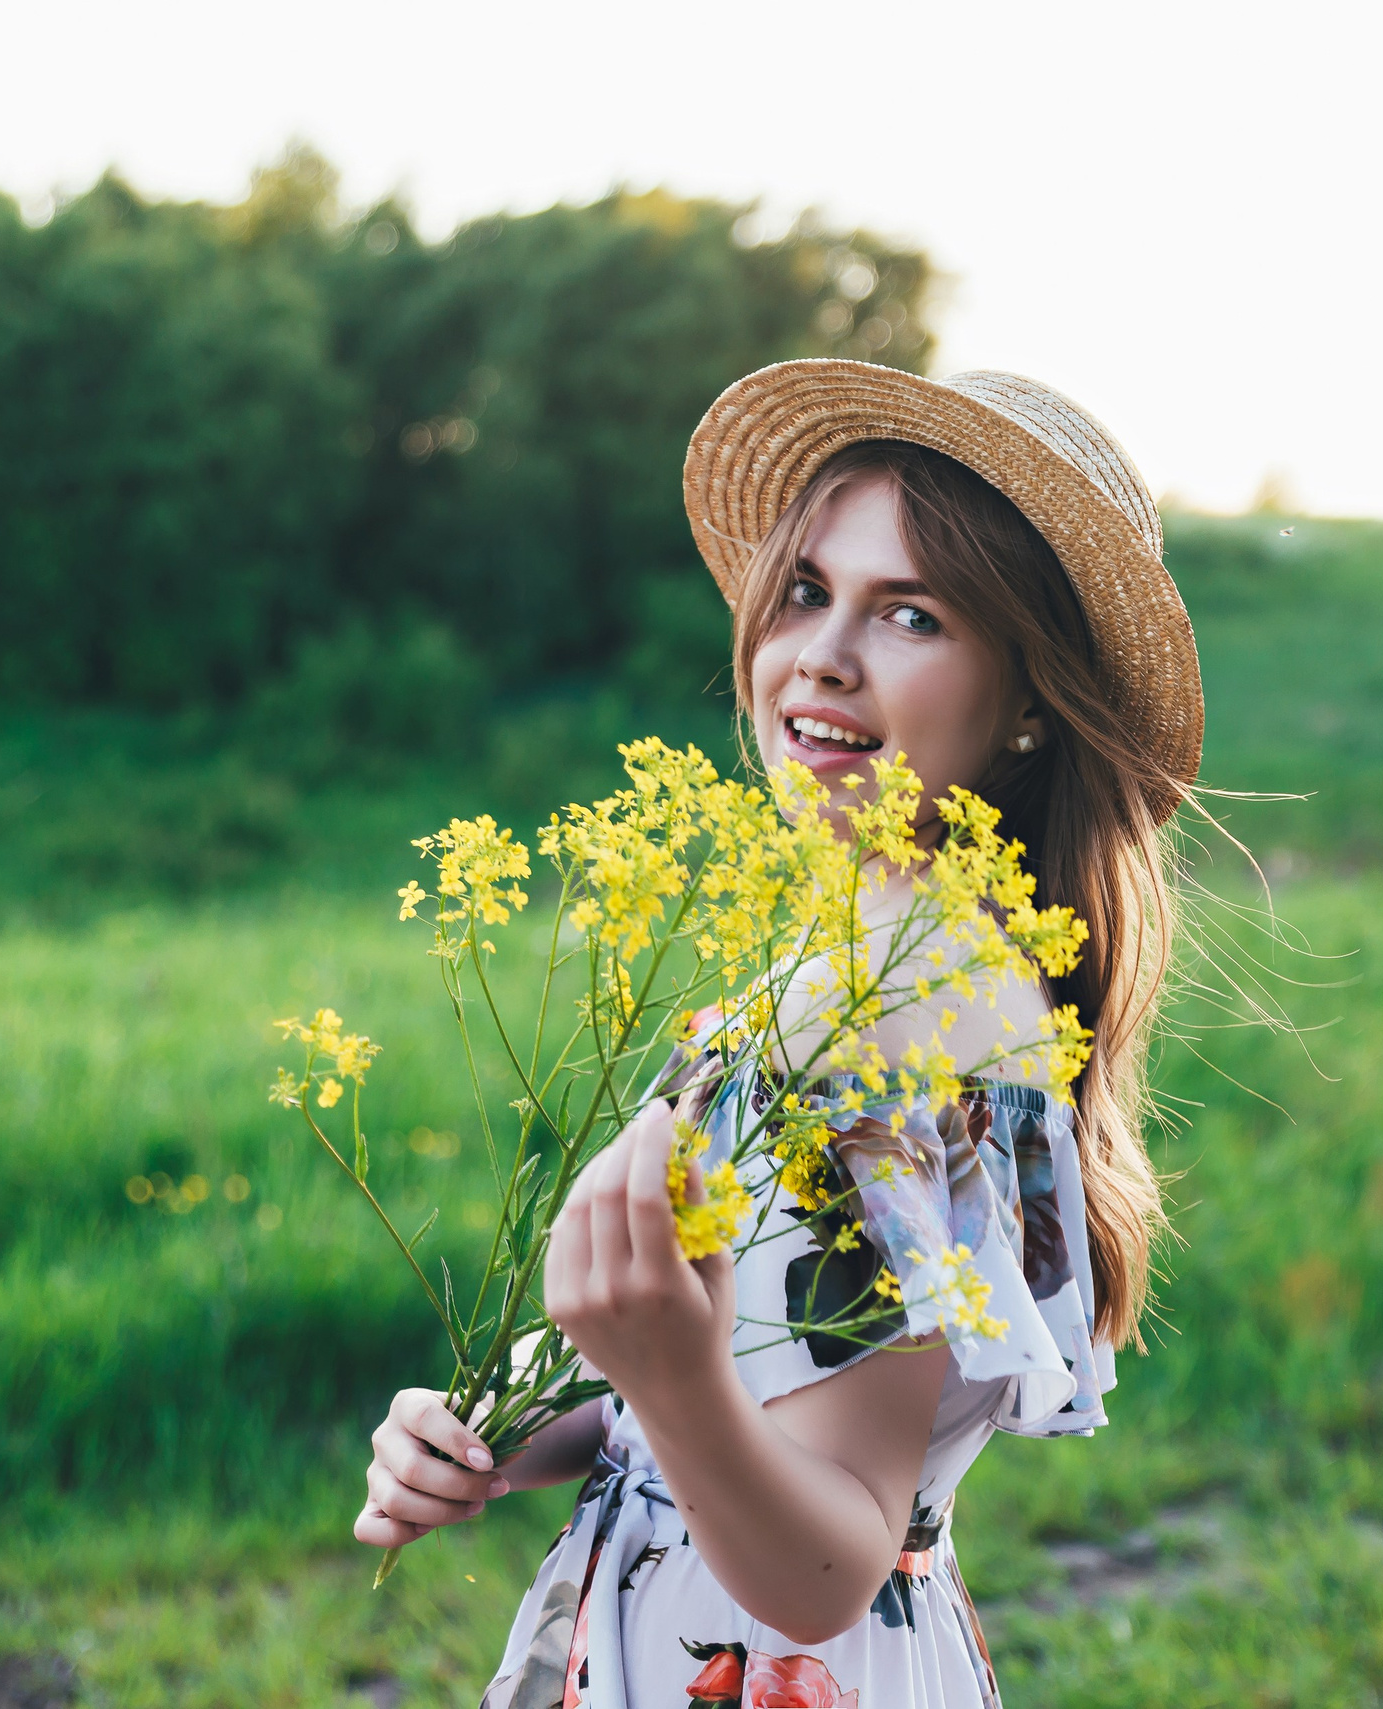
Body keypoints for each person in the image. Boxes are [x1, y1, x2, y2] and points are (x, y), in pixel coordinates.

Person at [355, 362, 1205, 1709]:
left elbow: (830, 1567)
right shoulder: (853, 963)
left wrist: (671, 1371)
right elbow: (727, 1376)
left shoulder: (918, 1031)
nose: (823, 651)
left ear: (1033, 697)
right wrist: (499, 1434)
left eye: (912, 613)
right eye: (807, 590)